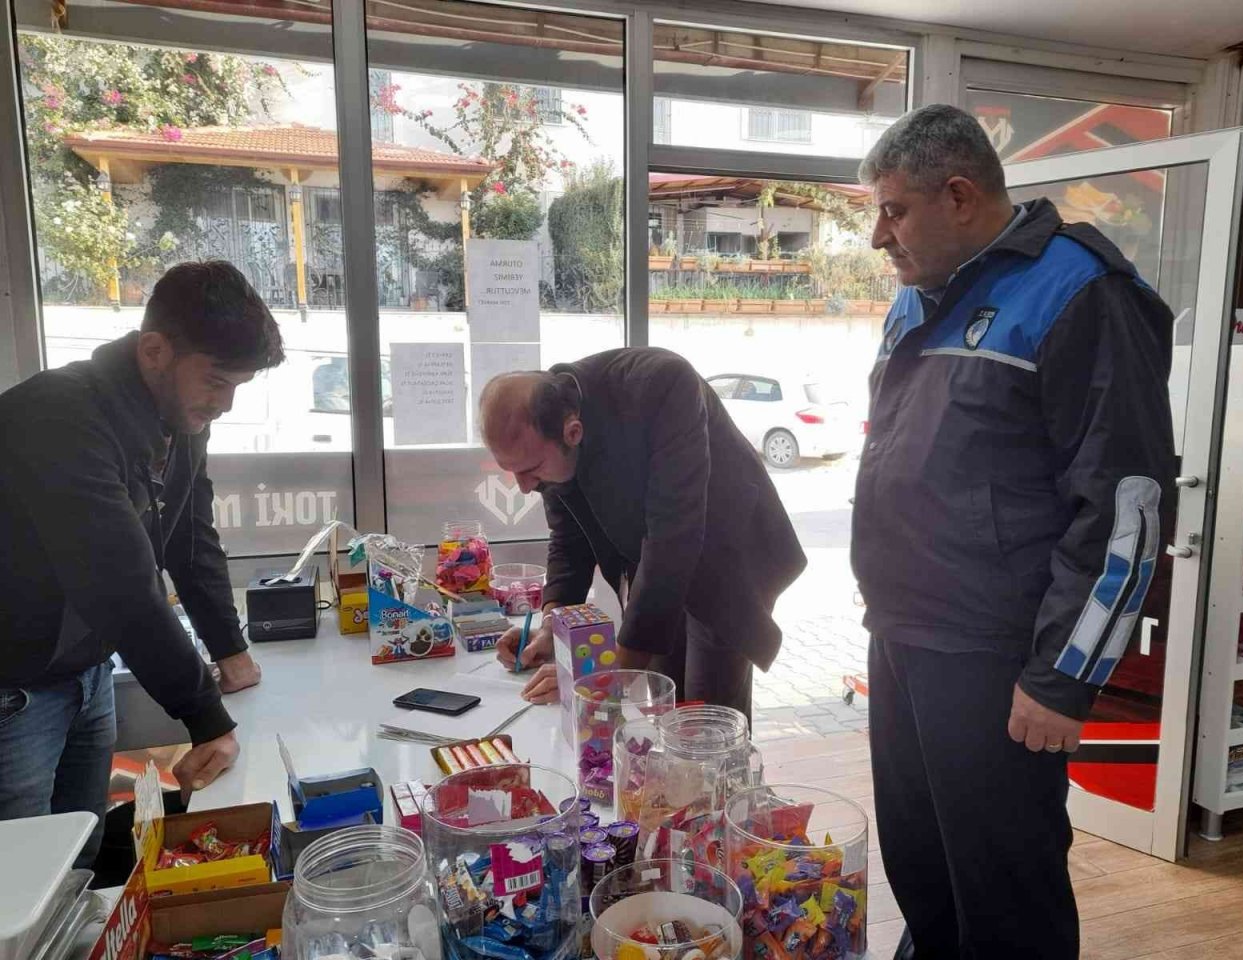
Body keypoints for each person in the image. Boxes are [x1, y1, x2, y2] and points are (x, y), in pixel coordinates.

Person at [852, 104, 1175, 959]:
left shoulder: (1081, 294)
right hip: (905, 638)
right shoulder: (919, 295)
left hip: (998, 660)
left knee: (1006, 887)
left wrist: (1066, 678)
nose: (878, 236)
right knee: (922, 865)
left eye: (893, 209)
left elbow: (1127, 507)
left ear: (957, 194)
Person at [0, 260, 284, 867]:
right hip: (13, 686)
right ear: (155, 350)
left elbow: (190, 538)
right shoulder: (59, 416)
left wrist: (229, 650)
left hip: (86, 672)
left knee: (79, 859)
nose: (226, 403)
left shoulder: (177, 419)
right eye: (215, 381)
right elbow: (120, 582)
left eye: (238, 385)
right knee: (18, 883)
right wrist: (204, 716)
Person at [479, 348, 806, 717]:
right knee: (660, 701)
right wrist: (552, 625)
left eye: (532, 470)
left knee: (704, 719)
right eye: (514, 472)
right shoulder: (546, 424)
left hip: (727, 557)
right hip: (660, 559)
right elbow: (569, 537)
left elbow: (673, 536)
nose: (524, 487)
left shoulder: (661, 383)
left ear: (573, 432)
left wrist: (612, 670)